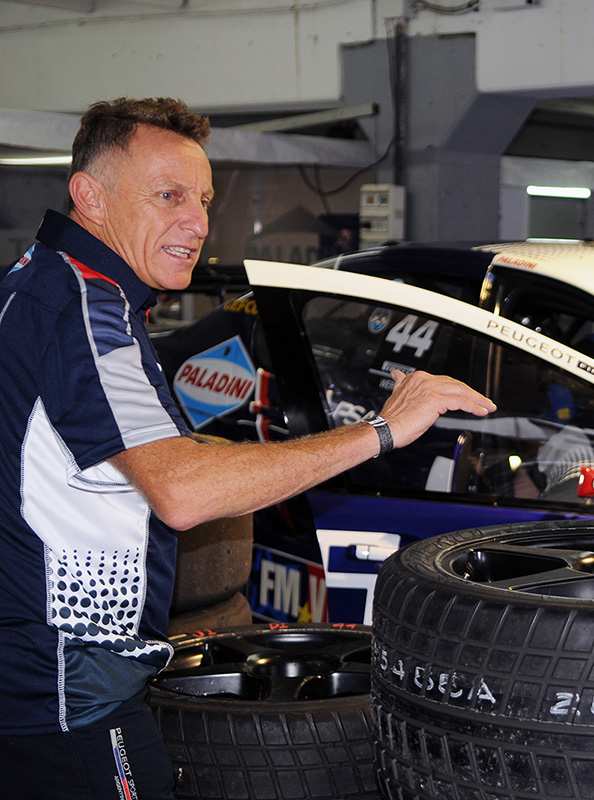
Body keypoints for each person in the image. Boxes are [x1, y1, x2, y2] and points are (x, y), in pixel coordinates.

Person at [0, 97, 496, 799]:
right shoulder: (84, 309)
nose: (196, 222)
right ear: (90, 195)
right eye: (168, 196)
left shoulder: (39, 284)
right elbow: (184, 492)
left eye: (202, 199)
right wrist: (380, 431)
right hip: (66, 696)